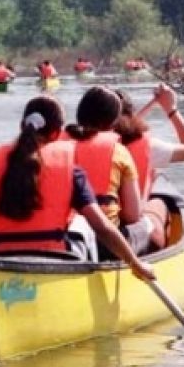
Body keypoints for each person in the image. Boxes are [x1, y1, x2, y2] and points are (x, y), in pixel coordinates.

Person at [0, 95, 154, 281]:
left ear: (22, 126)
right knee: (80, 226)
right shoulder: (69, 170)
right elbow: (102, 227)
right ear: (56, 134)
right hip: (54, 262)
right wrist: (135, 263)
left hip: (2, 260)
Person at [63, 86, 157, 257]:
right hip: (106, 245)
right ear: (114, 122)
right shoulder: (118, 151)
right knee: (146, 225)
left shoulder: (55, 148)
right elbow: (132, 215)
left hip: (65, 238)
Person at [113, 83, 184, 247]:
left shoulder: (77, 144)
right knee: (160, 202)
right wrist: (171, 109)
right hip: (128, 227)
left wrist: (152, 104)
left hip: (93, 224)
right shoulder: (147, 147)